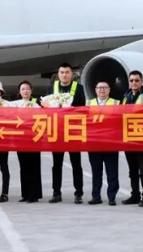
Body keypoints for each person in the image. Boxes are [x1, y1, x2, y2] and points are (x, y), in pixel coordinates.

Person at [49, 63, 86, 204]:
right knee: (56, 164)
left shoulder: (79, 88)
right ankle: (56, 193)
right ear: (58, 74)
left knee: (76, 163)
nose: (64, 75)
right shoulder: (52, 88)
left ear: (72, 74)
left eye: (67, 72)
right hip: (57, 131)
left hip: (73, 131)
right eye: (62, 72)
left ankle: (78, 193)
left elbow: (83, 108)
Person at [121, 70, 143, 207]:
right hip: (129, 139)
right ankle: (135, 195)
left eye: (136, 80)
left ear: (142, 82)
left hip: (142, 139)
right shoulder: (125, 97)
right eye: (131, 80)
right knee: (132, 170)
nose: (134, 83)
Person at [87, 80, 119, 206]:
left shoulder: (116, 103)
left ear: (109, 90)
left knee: (112, 171)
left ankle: (112, 197)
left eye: (105, 88)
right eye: (99, 88)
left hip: (110, 143)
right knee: (96, 172)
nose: (102, 90)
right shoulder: (89, 103)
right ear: (95, 90)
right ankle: (96, 196)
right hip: (94, 143)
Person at [16, 81, 42, 203]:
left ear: (31, 91)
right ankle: (25, 194)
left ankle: (34, 194)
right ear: (19, 92)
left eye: (27, 89)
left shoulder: (37, 104)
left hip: (34, 139)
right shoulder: (16, 105)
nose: (25, 91)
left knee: (34, 166)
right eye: (23, 89)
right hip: (21, 139)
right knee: (23, 166)